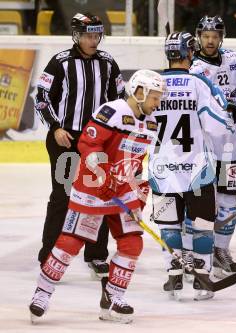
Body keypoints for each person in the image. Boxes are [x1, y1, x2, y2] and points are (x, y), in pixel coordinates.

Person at [28, 69, 165, 323]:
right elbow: (88, 144)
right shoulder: (112, 111)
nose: (158, 103)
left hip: (122, 190)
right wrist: (102, 174)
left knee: (132, 242)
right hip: (92, 187)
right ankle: (42, 293)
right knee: (71, 242)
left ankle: (113, 298)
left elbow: (135, 162)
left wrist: (138, 192)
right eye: (154, 97)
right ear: (139, 92)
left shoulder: (151, 123)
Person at [34, 12, 125, 278]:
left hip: (98, 142)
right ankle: (49, 252)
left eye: (97, 35)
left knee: (100, 195)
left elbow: (120, 99)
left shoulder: (108, 63)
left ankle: (96, 254)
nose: (93, 40)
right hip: (66, 139)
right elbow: (41, 97)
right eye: (88, 35)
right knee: (62, 195)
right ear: (76, 36)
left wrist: (117, 133)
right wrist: (55, 127)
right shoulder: (60, 62)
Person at [149, 31, 236, 301]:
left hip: (161, 171)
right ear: (190, 52)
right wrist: (229, 118)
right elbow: (217, 127)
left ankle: (174, 275)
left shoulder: (151, 84)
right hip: (196, 171)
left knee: (169, 226)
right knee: (201, 225)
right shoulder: (199, 83)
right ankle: (201, 279)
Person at [189, 15, 236, 279]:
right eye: (206, 36)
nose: (210, 40)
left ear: (221, 37)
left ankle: (222, 250)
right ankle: (196, 251)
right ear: (199, 37)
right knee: (202, 203)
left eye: (215, 36)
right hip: (203, 150)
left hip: (233, 147)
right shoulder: (191, 69)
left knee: (229, 200)